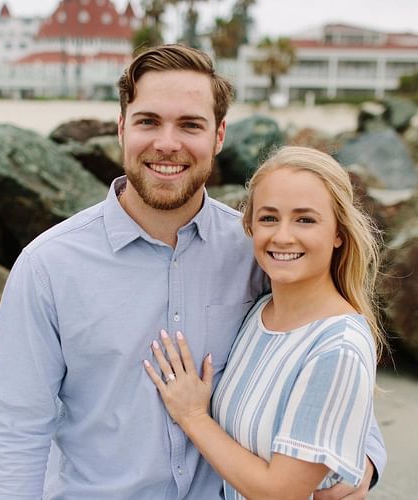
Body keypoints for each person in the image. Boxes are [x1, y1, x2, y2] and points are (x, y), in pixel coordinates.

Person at [0, 45, 385, 499]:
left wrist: (363, 457)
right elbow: (13, 429)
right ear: (121, 129)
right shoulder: (48, 267)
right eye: (148, 121)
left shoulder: (258, 250)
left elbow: (326, 350)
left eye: (190, 125)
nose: (167, 143)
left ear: (219, 136)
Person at [145, 145, 387, 500]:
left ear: (339, 232)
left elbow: (281, 492)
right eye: (269, 218)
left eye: (305, 219)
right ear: (250, 226)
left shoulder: (338, 348)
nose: (283, 236)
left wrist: (193, 416)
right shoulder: (260, 312)